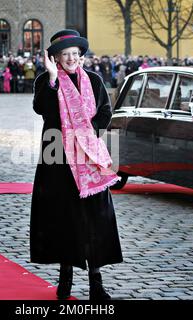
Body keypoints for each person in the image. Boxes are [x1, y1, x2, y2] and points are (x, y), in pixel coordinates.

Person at [30, 29, 123, 301]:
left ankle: (96, 283)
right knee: (63, 217)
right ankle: (65, 278)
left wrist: (86, 132)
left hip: (90, 158)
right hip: (57, 157)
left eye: (75, 54)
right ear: (56, 58)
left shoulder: (93, 80)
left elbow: (105, 111)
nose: (71, 58)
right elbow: (41, 109)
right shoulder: (47, 81)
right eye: (65, 55)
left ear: (80, 56)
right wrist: (50, 77)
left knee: (96, 218)